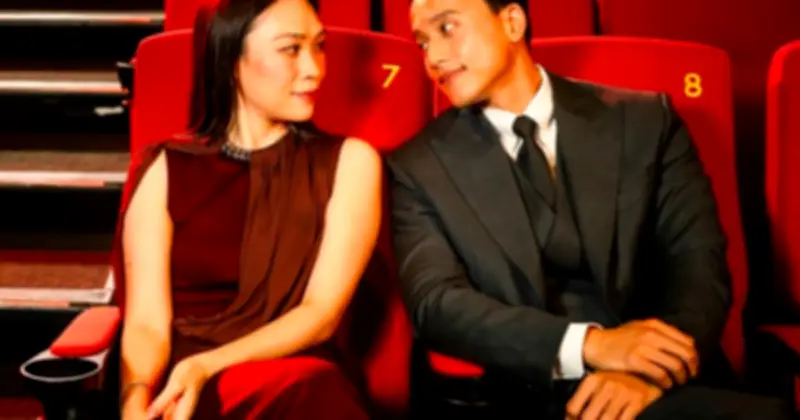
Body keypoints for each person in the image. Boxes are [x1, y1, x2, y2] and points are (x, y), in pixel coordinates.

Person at [387, 0, 792, 419]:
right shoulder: (418, 167)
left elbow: (699, 267)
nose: (433, 57)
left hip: (668, 390)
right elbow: (437, 304)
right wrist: (591, 345)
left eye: (447, 28)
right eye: (422, 42)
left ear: (511, 23)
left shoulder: (645, 121)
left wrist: (647, 372)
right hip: (531, 395)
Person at [116, 0, 382, 419]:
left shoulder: (351, 162)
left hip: (294, 374)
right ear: (232, 62)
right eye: (291, 49)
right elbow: (146, 322)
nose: (315, 69)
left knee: (310, 388)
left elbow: (320, 315)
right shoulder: (165, 168)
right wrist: (136, 398)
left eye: (319, 46)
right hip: (182, 389)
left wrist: (206, 366)